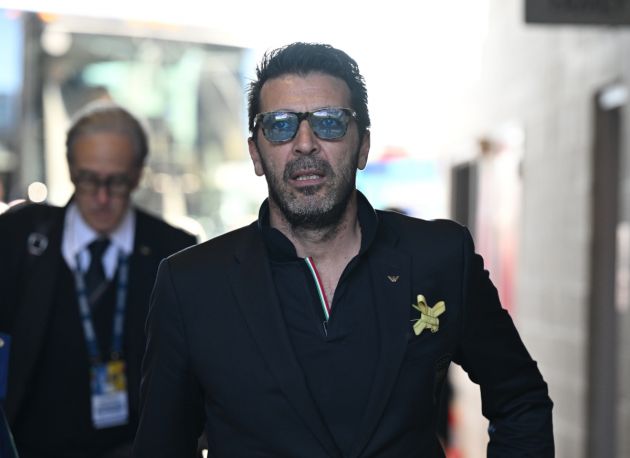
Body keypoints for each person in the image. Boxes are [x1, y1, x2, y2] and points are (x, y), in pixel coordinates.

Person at [133, 42, 554, 457]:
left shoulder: (440, 257)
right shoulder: (192, 284)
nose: (304, 143)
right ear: (256, 153)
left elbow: (520, 399)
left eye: (329, 122)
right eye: (280, 125)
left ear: (363, 146)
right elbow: (162, 446)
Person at [0, 101, 197, 457]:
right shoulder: (20, 239)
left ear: (137, 175)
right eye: (89, 180)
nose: (102, 198)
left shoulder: (175, 252)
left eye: (117, 182)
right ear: (72, 170)